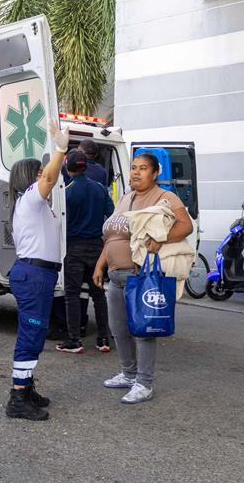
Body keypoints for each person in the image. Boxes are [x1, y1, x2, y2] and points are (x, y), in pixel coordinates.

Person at [94, 152, 193, 404]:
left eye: (143, 168)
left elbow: (186, 225)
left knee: (143, 329)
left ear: (155, 173)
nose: (136, 172)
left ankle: (144, 383)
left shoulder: (164, 197)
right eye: (134, 167)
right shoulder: (125, 198)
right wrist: (100, 265)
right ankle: (128, 374)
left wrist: (162, 237)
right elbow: (113, 237)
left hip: (140, 274)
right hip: (115, 275)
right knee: (118, 328)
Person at [5, 120, 69, 421]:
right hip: (33, 275)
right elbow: (51, 177)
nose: (45, 176)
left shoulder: (35, 204)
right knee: (31, 335)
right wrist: (60, 150)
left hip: (38, 275)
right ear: (31, 178)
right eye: (40, 172)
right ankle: (18, 398)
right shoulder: (31, 198)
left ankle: (26, 387)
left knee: (35, 332)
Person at [56, 149, 114, 354]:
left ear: (67, 168)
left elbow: (60, 222)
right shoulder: (100, 188)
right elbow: (111, 214)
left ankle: (74, 340)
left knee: (72, 294)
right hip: (97, 247)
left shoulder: (66, 192)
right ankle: (103, 338)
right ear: (86, 166)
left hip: (74, 248)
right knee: (98, 294)